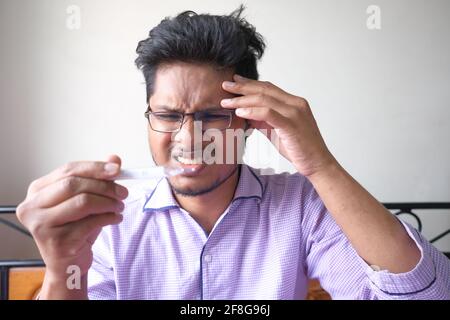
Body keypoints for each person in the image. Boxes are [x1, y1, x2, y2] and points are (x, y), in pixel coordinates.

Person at [17, 6, 449, 300]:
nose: (188, 137)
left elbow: (428, 294)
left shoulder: (300, 205)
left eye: (210, 115)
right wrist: (61, 269)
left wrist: (320, 164)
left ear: (247, 119)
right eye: (168, 115)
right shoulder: (110, 218)